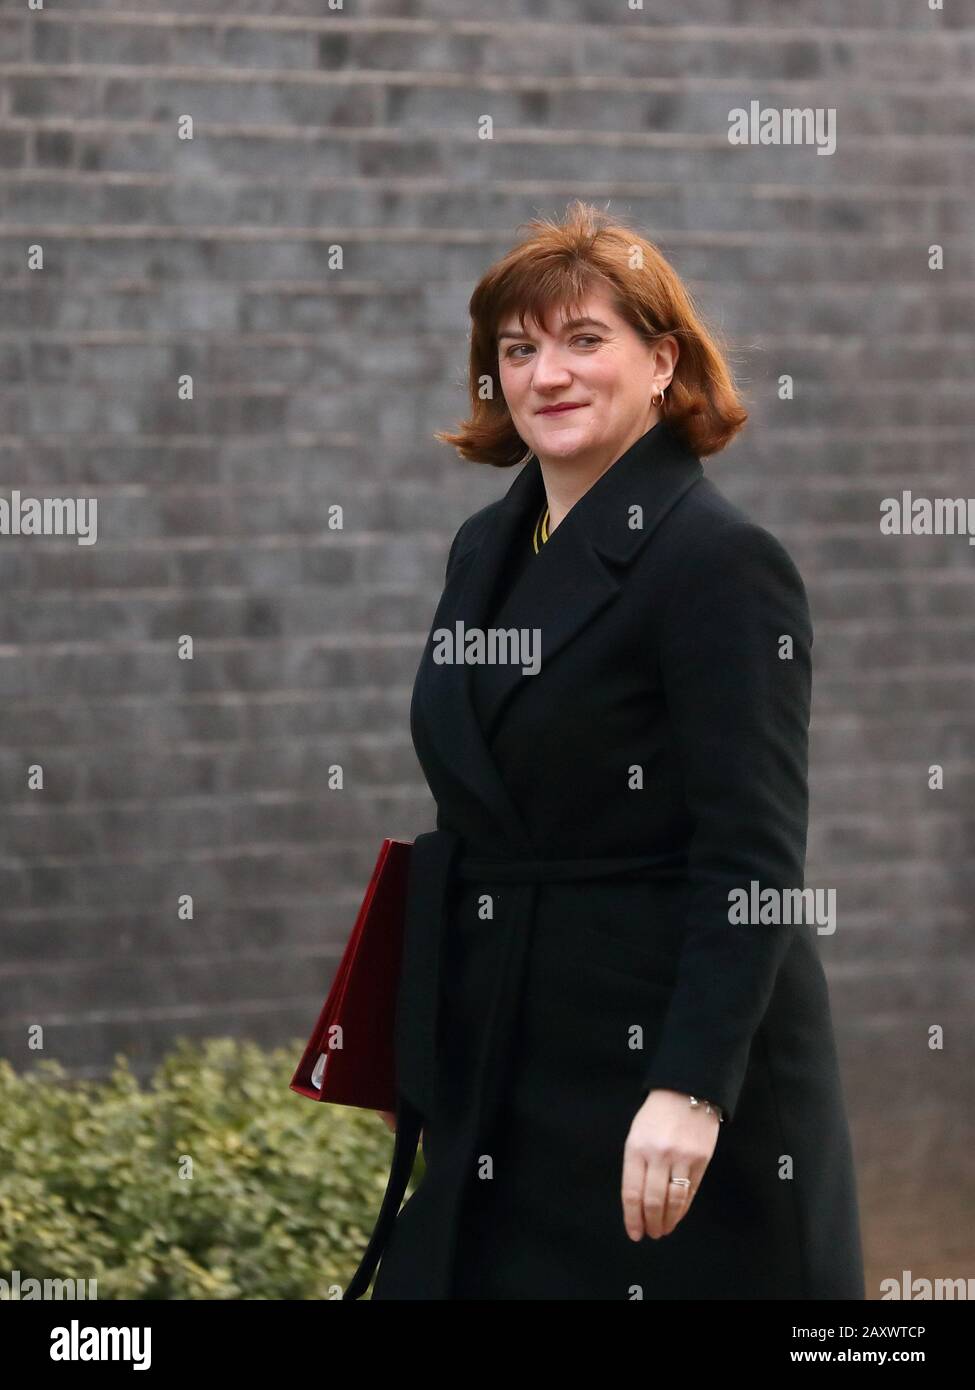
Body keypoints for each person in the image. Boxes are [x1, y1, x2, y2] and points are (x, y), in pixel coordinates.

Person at [348, 200, 865, 1300]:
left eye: (586, 340)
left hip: (665, 1076)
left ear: (661, 360)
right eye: (519, 349)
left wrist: (692, 1085)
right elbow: (471, 812)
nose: (548, 375)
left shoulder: (724, 563)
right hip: (505, 1054)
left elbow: (756, 859)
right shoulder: (483, 546)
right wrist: (422, 1027)